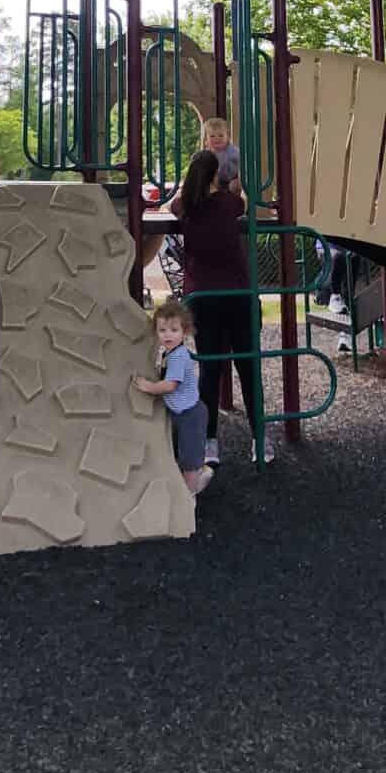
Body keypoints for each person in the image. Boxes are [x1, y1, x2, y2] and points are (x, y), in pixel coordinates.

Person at [170, 149, 254, 469]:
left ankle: (210, 443)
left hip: (203, 295)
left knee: (210, 369)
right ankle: (260, 440)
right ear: (218, 176)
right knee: (248, 365)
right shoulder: (228, 204)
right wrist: (235, 187)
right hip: (236, 291)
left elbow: (175, 203)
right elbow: (242, 202)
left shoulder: (185, 206)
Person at [135, 298, 207, 499]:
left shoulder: (178, 356)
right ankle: (195, 477)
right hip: (180, 412)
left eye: (174, 330)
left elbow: (170, 385)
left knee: (189, 459)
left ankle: (190, 496)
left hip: (190, 415)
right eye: (162, 330)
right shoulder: (169, 352)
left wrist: (148, 387)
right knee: (180, 450)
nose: (168, 335)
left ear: (184, 332)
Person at [200, 115, 243, 193]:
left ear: (228, 137)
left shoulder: (233, 151)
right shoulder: (207, 153)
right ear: (206, 140)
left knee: (234, 185)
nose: (217, 138)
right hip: (216, 180)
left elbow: (243, 164)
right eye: (212, 136)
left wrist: (239, 178)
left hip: (232, 178)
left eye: (221, 135)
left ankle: (233, 199)